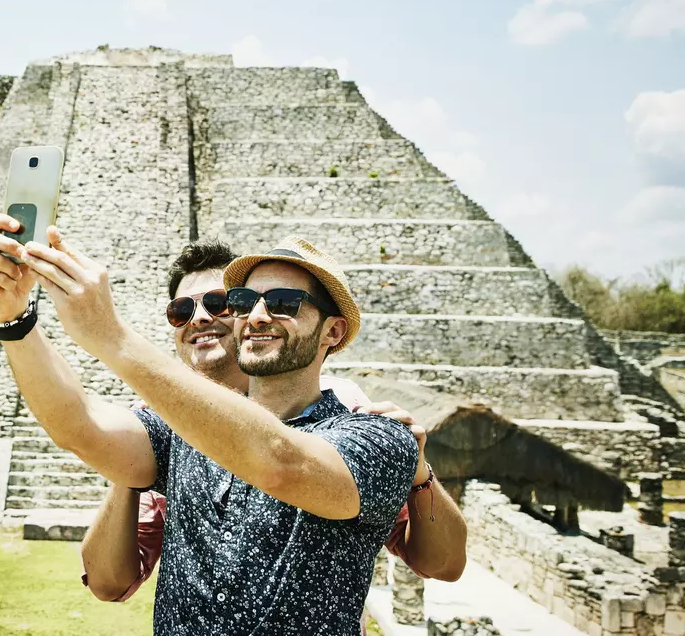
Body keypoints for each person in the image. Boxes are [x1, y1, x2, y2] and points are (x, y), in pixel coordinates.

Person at [0, 218, 423, 635]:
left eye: (283, 303)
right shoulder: (181, 429)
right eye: (246, 302)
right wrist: (15, 321)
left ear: (332, 332)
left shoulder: (378, 433)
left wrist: (111, 336)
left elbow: (281, 464)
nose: (258, 315)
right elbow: (80, 426)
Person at [77, 239, 467, 610]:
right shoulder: (167, 428)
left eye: (220, 303)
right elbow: (107, 582)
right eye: (181, 310)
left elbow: (440, 563)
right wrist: (133, 462)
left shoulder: (343, 412)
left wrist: (417, 474)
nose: (198, 318)